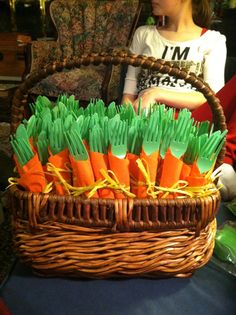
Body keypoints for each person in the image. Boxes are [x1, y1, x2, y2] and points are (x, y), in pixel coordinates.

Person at [122, 0, 236, 201]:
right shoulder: (144, 34)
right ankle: (206, 166)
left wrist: (156, 93)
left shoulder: (212, 40)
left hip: (192, 123)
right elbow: (127, 96)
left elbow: (213, 100)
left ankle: (223, 163)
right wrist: (130, 120)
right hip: (147, 122)